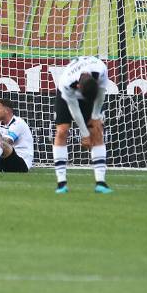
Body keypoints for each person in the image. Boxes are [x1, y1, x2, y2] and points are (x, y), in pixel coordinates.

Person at [53, 56, 113, 194]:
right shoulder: (67, 82)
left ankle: (101, 183)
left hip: (91, 92)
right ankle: (61, 183)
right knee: (62, 131)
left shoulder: (101, 69)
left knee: (97, 129)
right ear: (79, 87)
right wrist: (84, 134)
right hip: (66, 97)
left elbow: (101, 95)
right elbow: (74, 109)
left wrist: (95, 117)